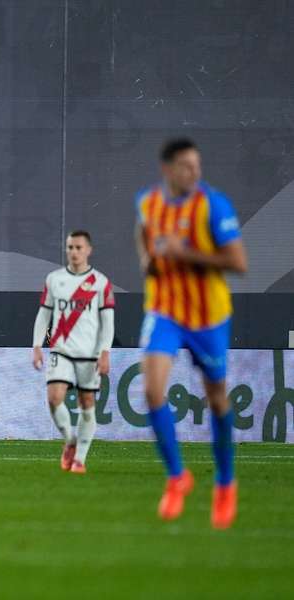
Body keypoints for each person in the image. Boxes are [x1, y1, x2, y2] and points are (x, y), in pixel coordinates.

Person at [135, 137, 248, 529]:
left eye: (197, 165)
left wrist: (185, 254)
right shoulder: (149, 203)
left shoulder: (213, 205)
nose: (195, 172)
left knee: (217, 399)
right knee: (151, 391)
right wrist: (150, 261)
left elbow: (238, 262)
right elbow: (145, 240)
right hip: (165, 310)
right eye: (186, 165)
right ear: (168, 169)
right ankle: (177, 477)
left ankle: (225, 483)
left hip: (208, 315)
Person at [32, 231, 115, 474]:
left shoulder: (100, 282)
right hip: (62, 349)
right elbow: (44, 314)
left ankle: (80, 459)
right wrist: (37, 345)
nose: (74, 252)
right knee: (54, 397)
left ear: (88, 250)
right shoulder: (54, 279)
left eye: (78, 247)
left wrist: (105, 352)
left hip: (89, 353)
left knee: (87, 403)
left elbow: (107, 321)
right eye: (70, 247)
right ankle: (70, 439)